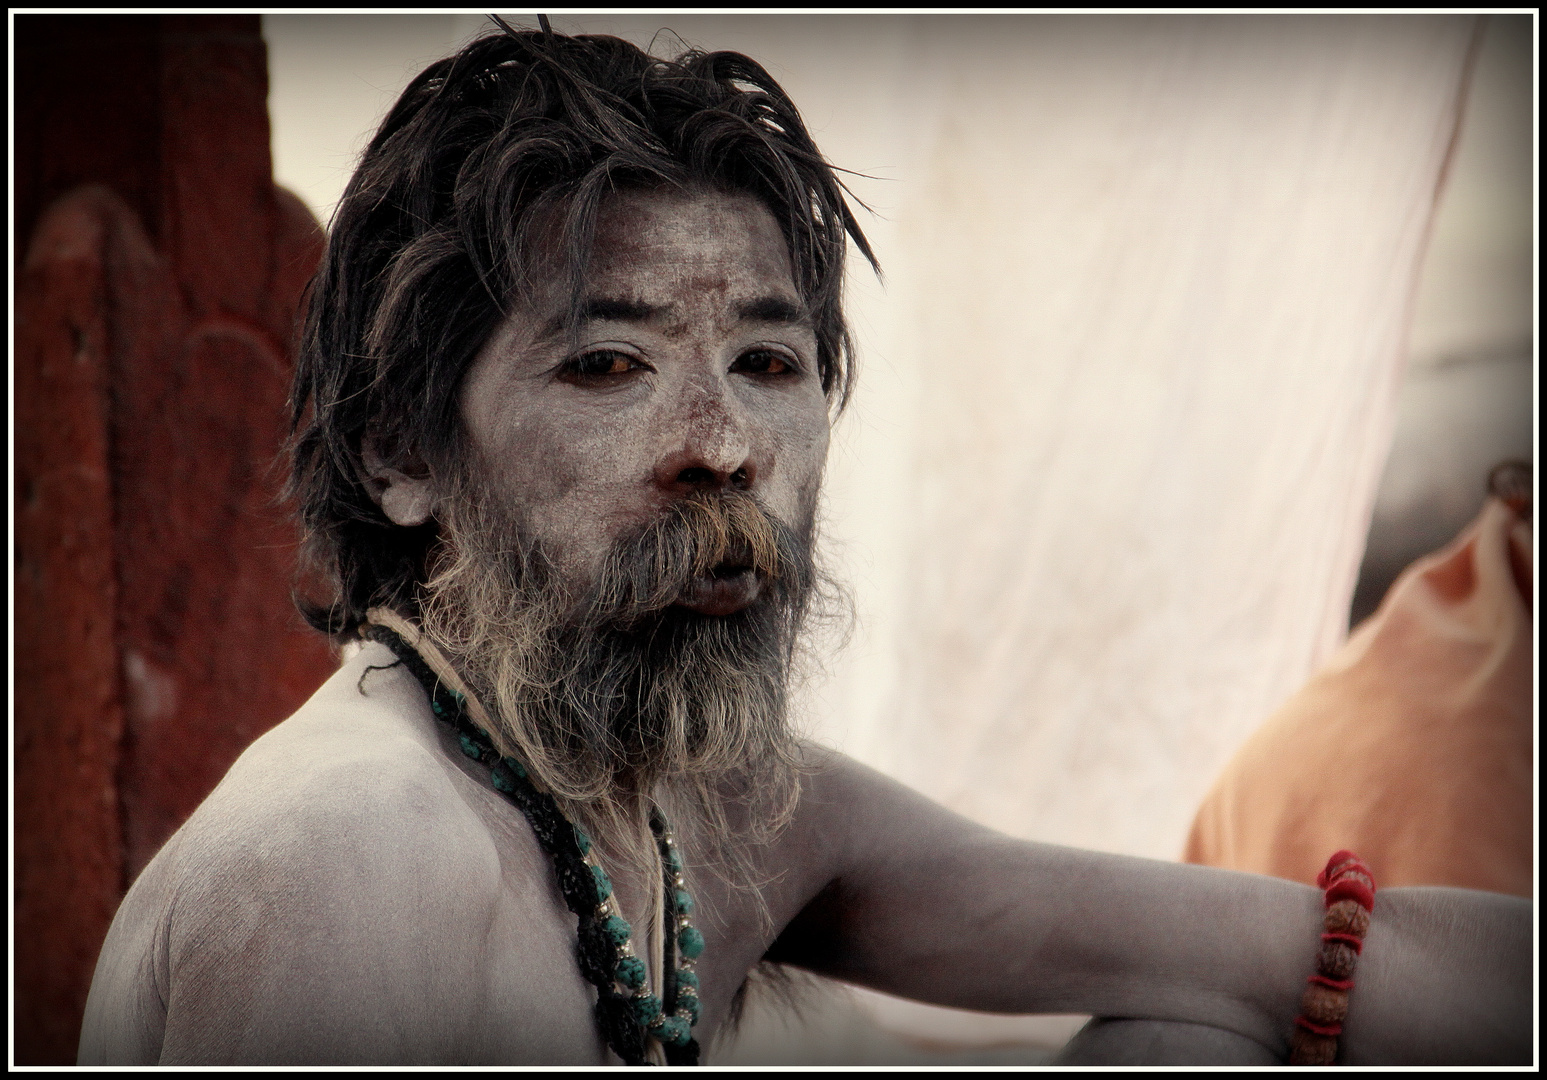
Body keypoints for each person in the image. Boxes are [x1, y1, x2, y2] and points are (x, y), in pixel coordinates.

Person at [77, 26, 1530, 1066]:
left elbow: (1315, 959)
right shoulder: (345, 870)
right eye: (605, 365)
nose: (724, 444)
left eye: (770, 365)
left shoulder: (724, 820)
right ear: (401, 455)